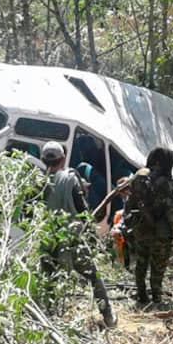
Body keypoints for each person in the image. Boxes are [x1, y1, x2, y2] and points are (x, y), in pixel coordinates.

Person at [40, 140, 116, 328]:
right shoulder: (71, 179)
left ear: (43, 160)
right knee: (93, 275)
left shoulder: (39, 182)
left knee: (49, 279)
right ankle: (108, 316)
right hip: (72, 239)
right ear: (63, 158)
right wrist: (91, 234)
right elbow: (82, 211)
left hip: (48, 239)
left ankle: (49, 320)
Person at [122, 147, 173, 309]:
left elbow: (129, 204)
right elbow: (172, 211)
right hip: (161, 233)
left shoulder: (139, 177)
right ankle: (156, 296)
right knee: (158, 266)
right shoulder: (166, 182)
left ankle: (141, 294)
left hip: (140, 228)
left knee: (141, 262)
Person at [109, 177, 132, 268]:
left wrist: (118, 226)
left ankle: (123, 265)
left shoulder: (131, 199)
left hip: (133, 226)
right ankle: (122, 264)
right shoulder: (127, 199)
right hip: (127, 225)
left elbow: (128, 215)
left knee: (119, 238)